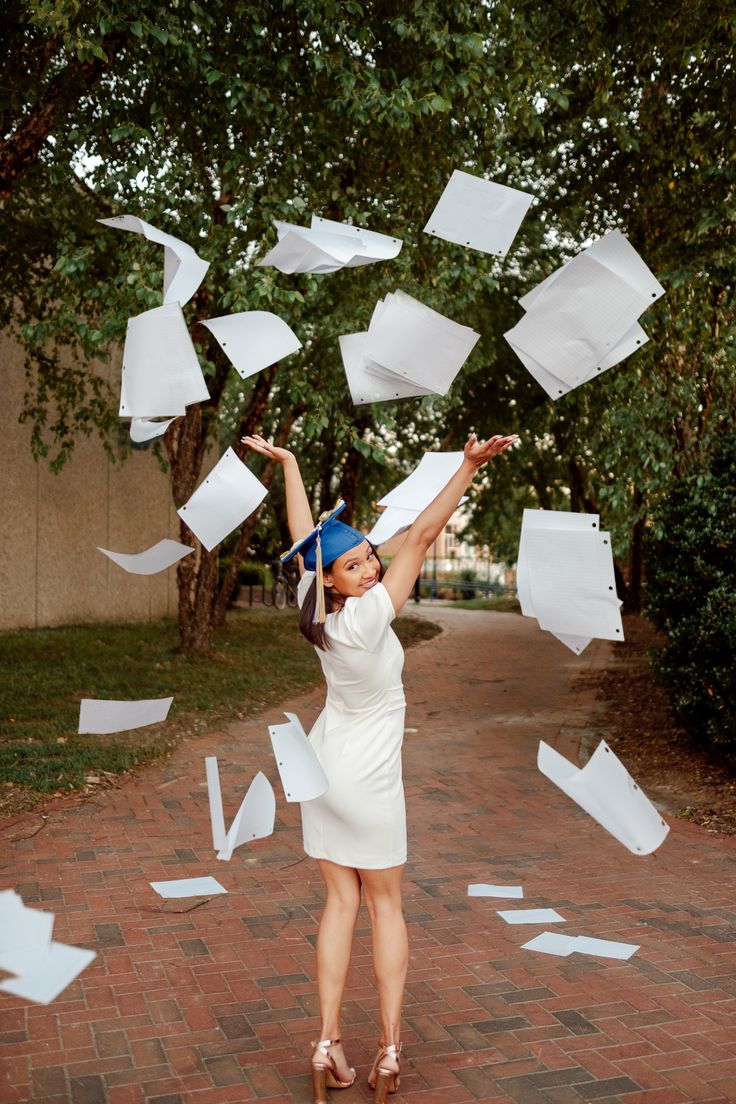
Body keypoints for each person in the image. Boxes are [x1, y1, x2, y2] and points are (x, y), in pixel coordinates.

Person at [243, 430, 517, 1104]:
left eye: (370, 558)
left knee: (340, 900)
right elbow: (422, 535)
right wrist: (467, 469)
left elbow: (306, 538)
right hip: (366, 779)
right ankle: (390, 1053)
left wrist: (293, 466)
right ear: (336, 585)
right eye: (357, 566)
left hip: (323, 768)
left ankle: (326, 1043)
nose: (369, 568)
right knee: (385, 905)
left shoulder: (319, 614)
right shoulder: (367, 618)